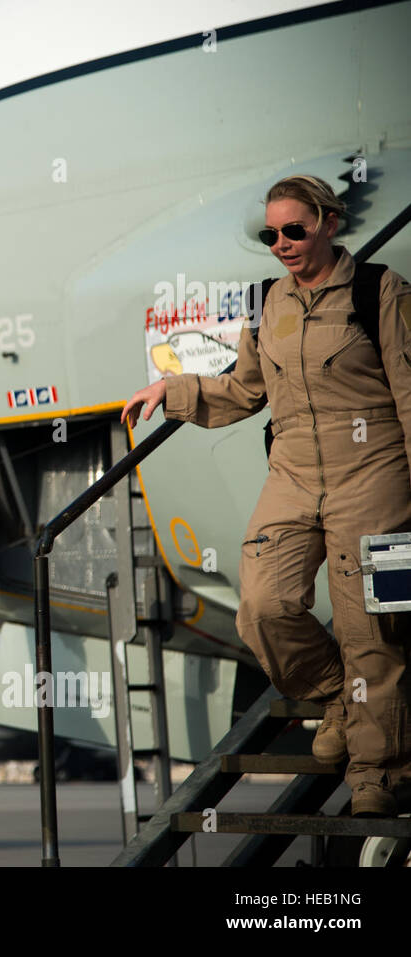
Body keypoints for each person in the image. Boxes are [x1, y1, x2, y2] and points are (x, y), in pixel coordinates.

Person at [122, 175, 411, 817]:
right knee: (263, 605)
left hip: (374, 472)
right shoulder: (270, 307)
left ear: (330, 224)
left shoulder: (379, 291)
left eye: (294, 230)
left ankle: (378, 777)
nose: (281, 243)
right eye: (270, 234)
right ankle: (337, 697)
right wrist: (168, 392)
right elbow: (243, 390)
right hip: (294, 473)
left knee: (373, 629)